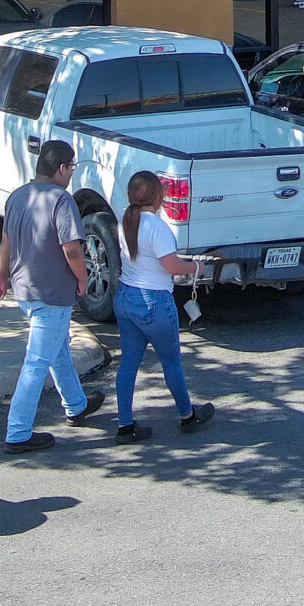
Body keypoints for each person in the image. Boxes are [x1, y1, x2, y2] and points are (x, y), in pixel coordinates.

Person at [0, 142, 100, 452]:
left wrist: (1, 276)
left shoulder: (17, 196)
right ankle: (18, 432)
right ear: (62, 168)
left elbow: (6, 241)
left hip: (25, 290)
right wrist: (83, 279)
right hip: (52, 293)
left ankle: (76, 405)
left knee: (57, 348)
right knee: (37, 362)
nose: (71, 174)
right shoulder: (61, 200)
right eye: (72, 168)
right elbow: (71, 248)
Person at [113, 170, 215, 442]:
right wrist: (198, 266)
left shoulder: (125, 219)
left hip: (126, 296)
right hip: (154, 301)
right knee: (171, 362)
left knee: (128, 363)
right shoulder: (157, 227)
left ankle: (125, 425)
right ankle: (187, 415)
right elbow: (172, 267)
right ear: (157, 197)